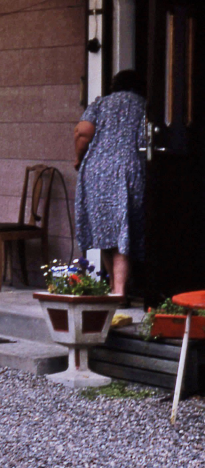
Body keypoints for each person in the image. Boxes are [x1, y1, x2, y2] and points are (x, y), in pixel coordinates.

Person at [74, 69, 147, 298]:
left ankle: (115, 287)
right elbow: (145, 141)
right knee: (123, 231)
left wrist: (78, 158)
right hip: (128, 169)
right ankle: (119, 291)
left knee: (103, 231)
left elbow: (83, 133)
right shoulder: (143, 106)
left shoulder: (100, 104)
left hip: (97, 171)